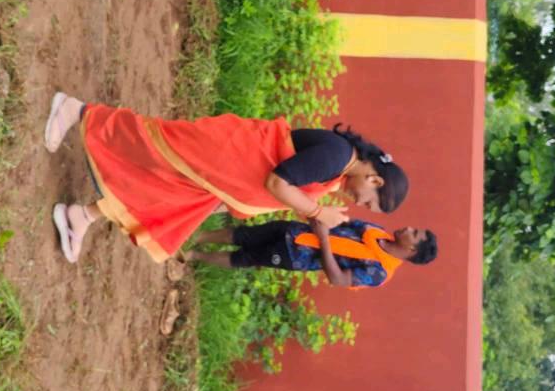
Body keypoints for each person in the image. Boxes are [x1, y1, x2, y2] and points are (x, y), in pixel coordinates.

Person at [43, 91, 409, 264]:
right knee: (150, 146)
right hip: (225, 153)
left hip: (224, 179)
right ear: (375, 180)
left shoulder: (337, 174)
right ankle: (78, 111)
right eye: (368, 202)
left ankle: (82, 216)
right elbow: (278, 183)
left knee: (160, 196)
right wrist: (317, 213)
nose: (359, 204)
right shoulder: (337, 157)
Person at [186, 219, 437, 288]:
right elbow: (344, 222)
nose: (408, 228)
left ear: (411, 250)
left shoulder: (380, 272)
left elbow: (338, 279)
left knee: (245, 258)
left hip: (294, 255)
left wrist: (323, 240)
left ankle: (193, 257)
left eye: (413, 233)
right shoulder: (378, 232)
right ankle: (195, 236)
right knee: (245, 234)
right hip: (295, 230)